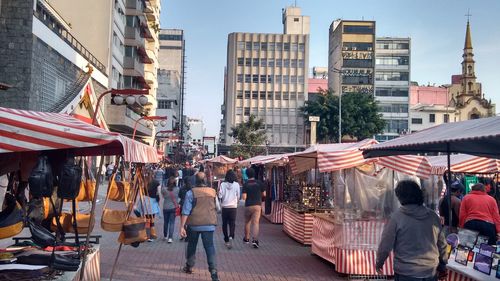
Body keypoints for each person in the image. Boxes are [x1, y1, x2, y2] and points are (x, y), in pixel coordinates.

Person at [376, 180, 447, 281]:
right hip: (430, 271)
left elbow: (385, 245)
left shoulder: (396, 218)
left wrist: (379, 262)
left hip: (406, 272)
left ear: (400, 197)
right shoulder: (433, 216)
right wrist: (443, 264)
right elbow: (442, 244)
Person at [179, 172, 219, 281]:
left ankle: (189, 266)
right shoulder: (213, 192)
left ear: (195, 181)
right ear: (206, 180)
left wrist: (182, 226)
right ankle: (213, 271)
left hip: (194, 224)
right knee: (209, 247)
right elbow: (218, 208)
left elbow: (186, 211)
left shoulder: (190, 193)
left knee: (192, 245)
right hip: (209, 224)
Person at [242, 167, 265, 248]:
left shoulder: (246, 184)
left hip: (248, 205)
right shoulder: (259, 183)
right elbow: (264, 194)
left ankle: (246, 238)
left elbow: (244, 197)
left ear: (247, 175)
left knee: (247, 222)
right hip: (257, 205)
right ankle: (255, 240)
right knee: (255, 223)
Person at [219, 170, 240, 249]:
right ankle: (231, 235)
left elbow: (220, 195)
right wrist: (236, 202)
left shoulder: (222, 184)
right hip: (233, 207)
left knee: (224, 224)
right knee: (232, 222)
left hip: (225, 207)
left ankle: (226, 239)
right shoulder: (236, 185)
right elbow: (238, 196)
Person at [161, 176, 179, 243]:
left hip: (165, 207)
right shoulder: (177, 189)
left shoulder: (164, 189)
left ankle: (165, 236)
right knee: (172, 223)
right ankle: (170, 238)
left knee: (166, 222)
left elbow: (163, 196)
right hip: (173, 208)